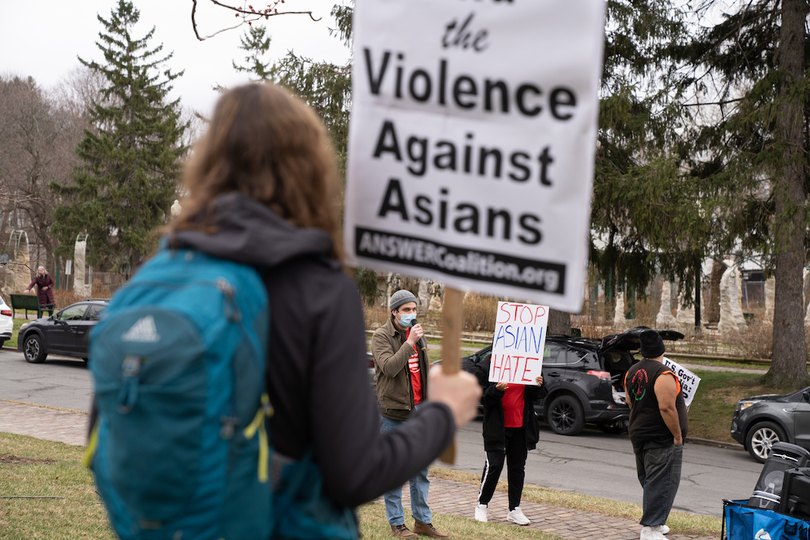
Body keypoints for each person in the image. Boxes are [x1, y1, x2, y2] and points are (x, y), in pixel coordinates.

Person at [163, 84, 481, 535]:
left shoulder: (167, 268)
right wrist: (443, 414)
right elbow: (355, 473)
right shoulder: (318, 288)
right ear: (308, 166)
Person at [372, 289, 449, 539]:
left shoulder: (418, 336)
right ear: (394, 312)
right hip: (393, 415)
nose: (412, 315)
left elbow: (423, 373)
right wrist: (409, 343)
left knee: (421, 472)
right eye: (407, 310)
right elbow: (389, 368)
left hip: (419, 414)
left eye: (415, 310)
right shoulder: (382, 336)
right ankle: (397, 524)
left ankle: (422, 522)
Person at [624, 329, 688, 540]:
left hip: (638, 433)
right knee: (664, 481)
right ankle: (649, 529)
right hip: (660, 437)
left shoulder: (631, 371)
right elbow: (666, 408)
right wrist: (677, 436)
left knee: (650, 480)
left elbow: (630, 402)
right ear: (661, 349)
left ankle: (656, 523)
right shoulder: (663, 374)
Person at [474, 362, 546, 526]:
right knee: (494, 465)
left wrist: (538, 385)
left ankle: (514, 509)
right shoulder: (489, 366)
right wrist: (496, 391)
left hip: (521, 427)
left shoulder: (529, 362)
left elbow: (538, 394)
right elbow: (482, 397)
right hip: (497, 427)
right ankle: (482, 505)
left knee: (517, 468)